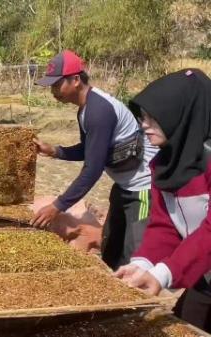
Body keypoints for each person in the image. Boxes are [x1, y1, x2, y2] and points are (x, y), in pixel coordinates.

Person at [31, 50, 158, 270]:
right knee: (111, 249)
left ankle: (139, 301)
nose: (53, 91)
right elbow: (89, 150)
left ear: (76, 80)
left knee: (135, 256)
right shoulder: (84, 110)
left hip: (142, 188)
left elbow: (93, 169)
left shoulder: (98, 111)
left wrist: (58, 206)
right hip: (123, 185)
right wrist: (55, 151)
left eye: (56, 84)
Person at [115, 69, 211, 332]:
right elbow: (164, 225)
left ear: (180, 114)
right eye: (142, 117)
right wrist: (143, 263)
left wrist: (164, 273)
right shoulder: (164, 165)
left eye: (152, 118)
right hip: (204, 277)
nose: (144, 125)